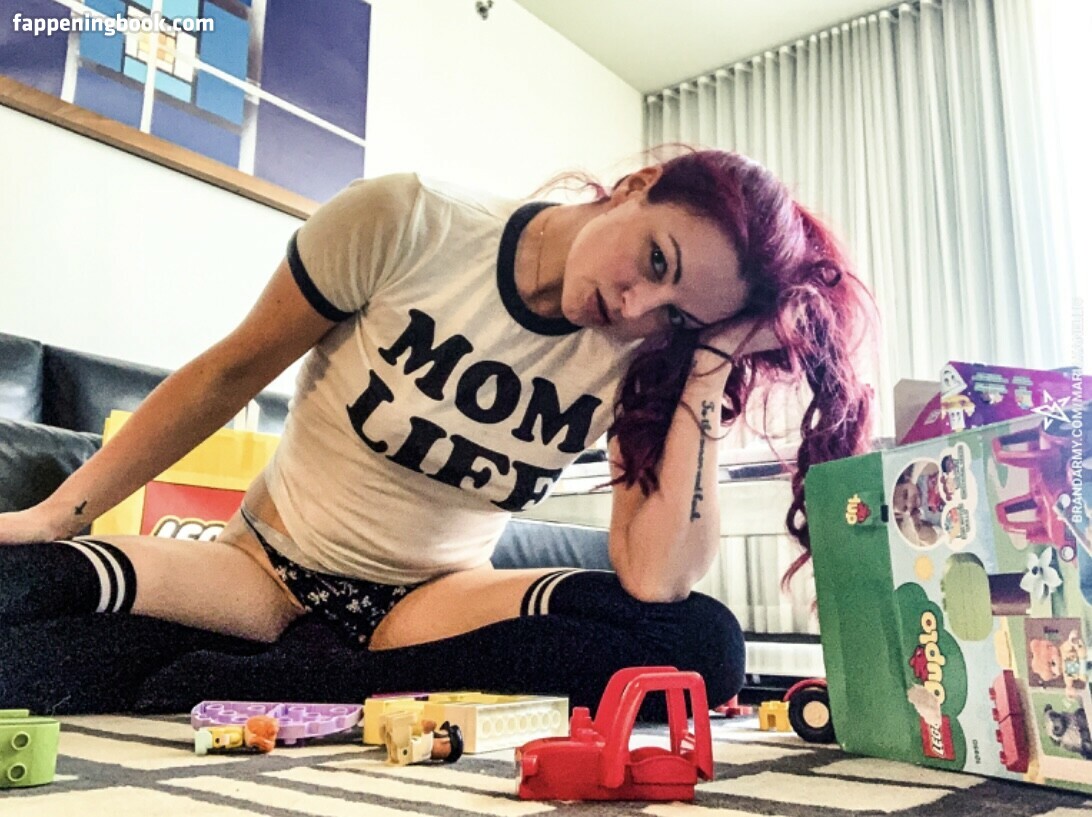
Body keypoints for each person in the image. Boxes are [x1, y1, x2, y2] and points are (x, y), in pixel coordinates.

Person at [0, 148, 874, 713]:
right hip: (258, 573)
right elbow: (229, 373)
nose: (637, 305)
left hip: (430, 606)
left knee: (701, 647)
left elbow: (653, 576)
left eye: (677, 313)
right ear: (636, 187)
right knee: (19, 596)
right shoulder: (406, 221)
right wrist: (53, 516)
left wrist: (708, 362)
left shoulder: (640, 355)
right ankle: (306, 677)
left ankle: (327, 684)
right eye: (655, 259)